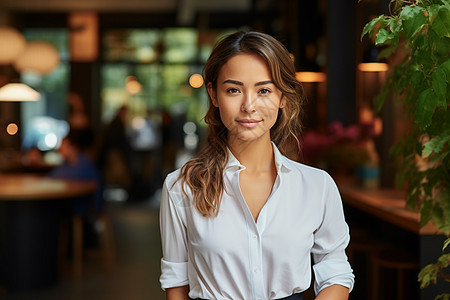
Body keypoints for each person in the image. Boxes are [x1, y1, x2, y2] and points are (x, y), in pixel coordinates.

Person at [159, 31, 354, 300]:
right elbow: (176, 282)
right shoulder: (182, 186)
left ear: (283, 97)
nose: (249, 106)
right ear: (214, 95)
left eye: (264, 90)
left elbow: (334, 270)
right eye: (233, 90)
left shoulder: (317, 186)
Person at [49, 128, 102, 215]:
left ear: (72, 147)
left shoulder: (83, 163)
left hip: (85, 207)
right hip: (75, 203)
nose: (59, 149)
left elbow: (55, 175)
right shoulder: (68, 163)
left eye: (63, 145)